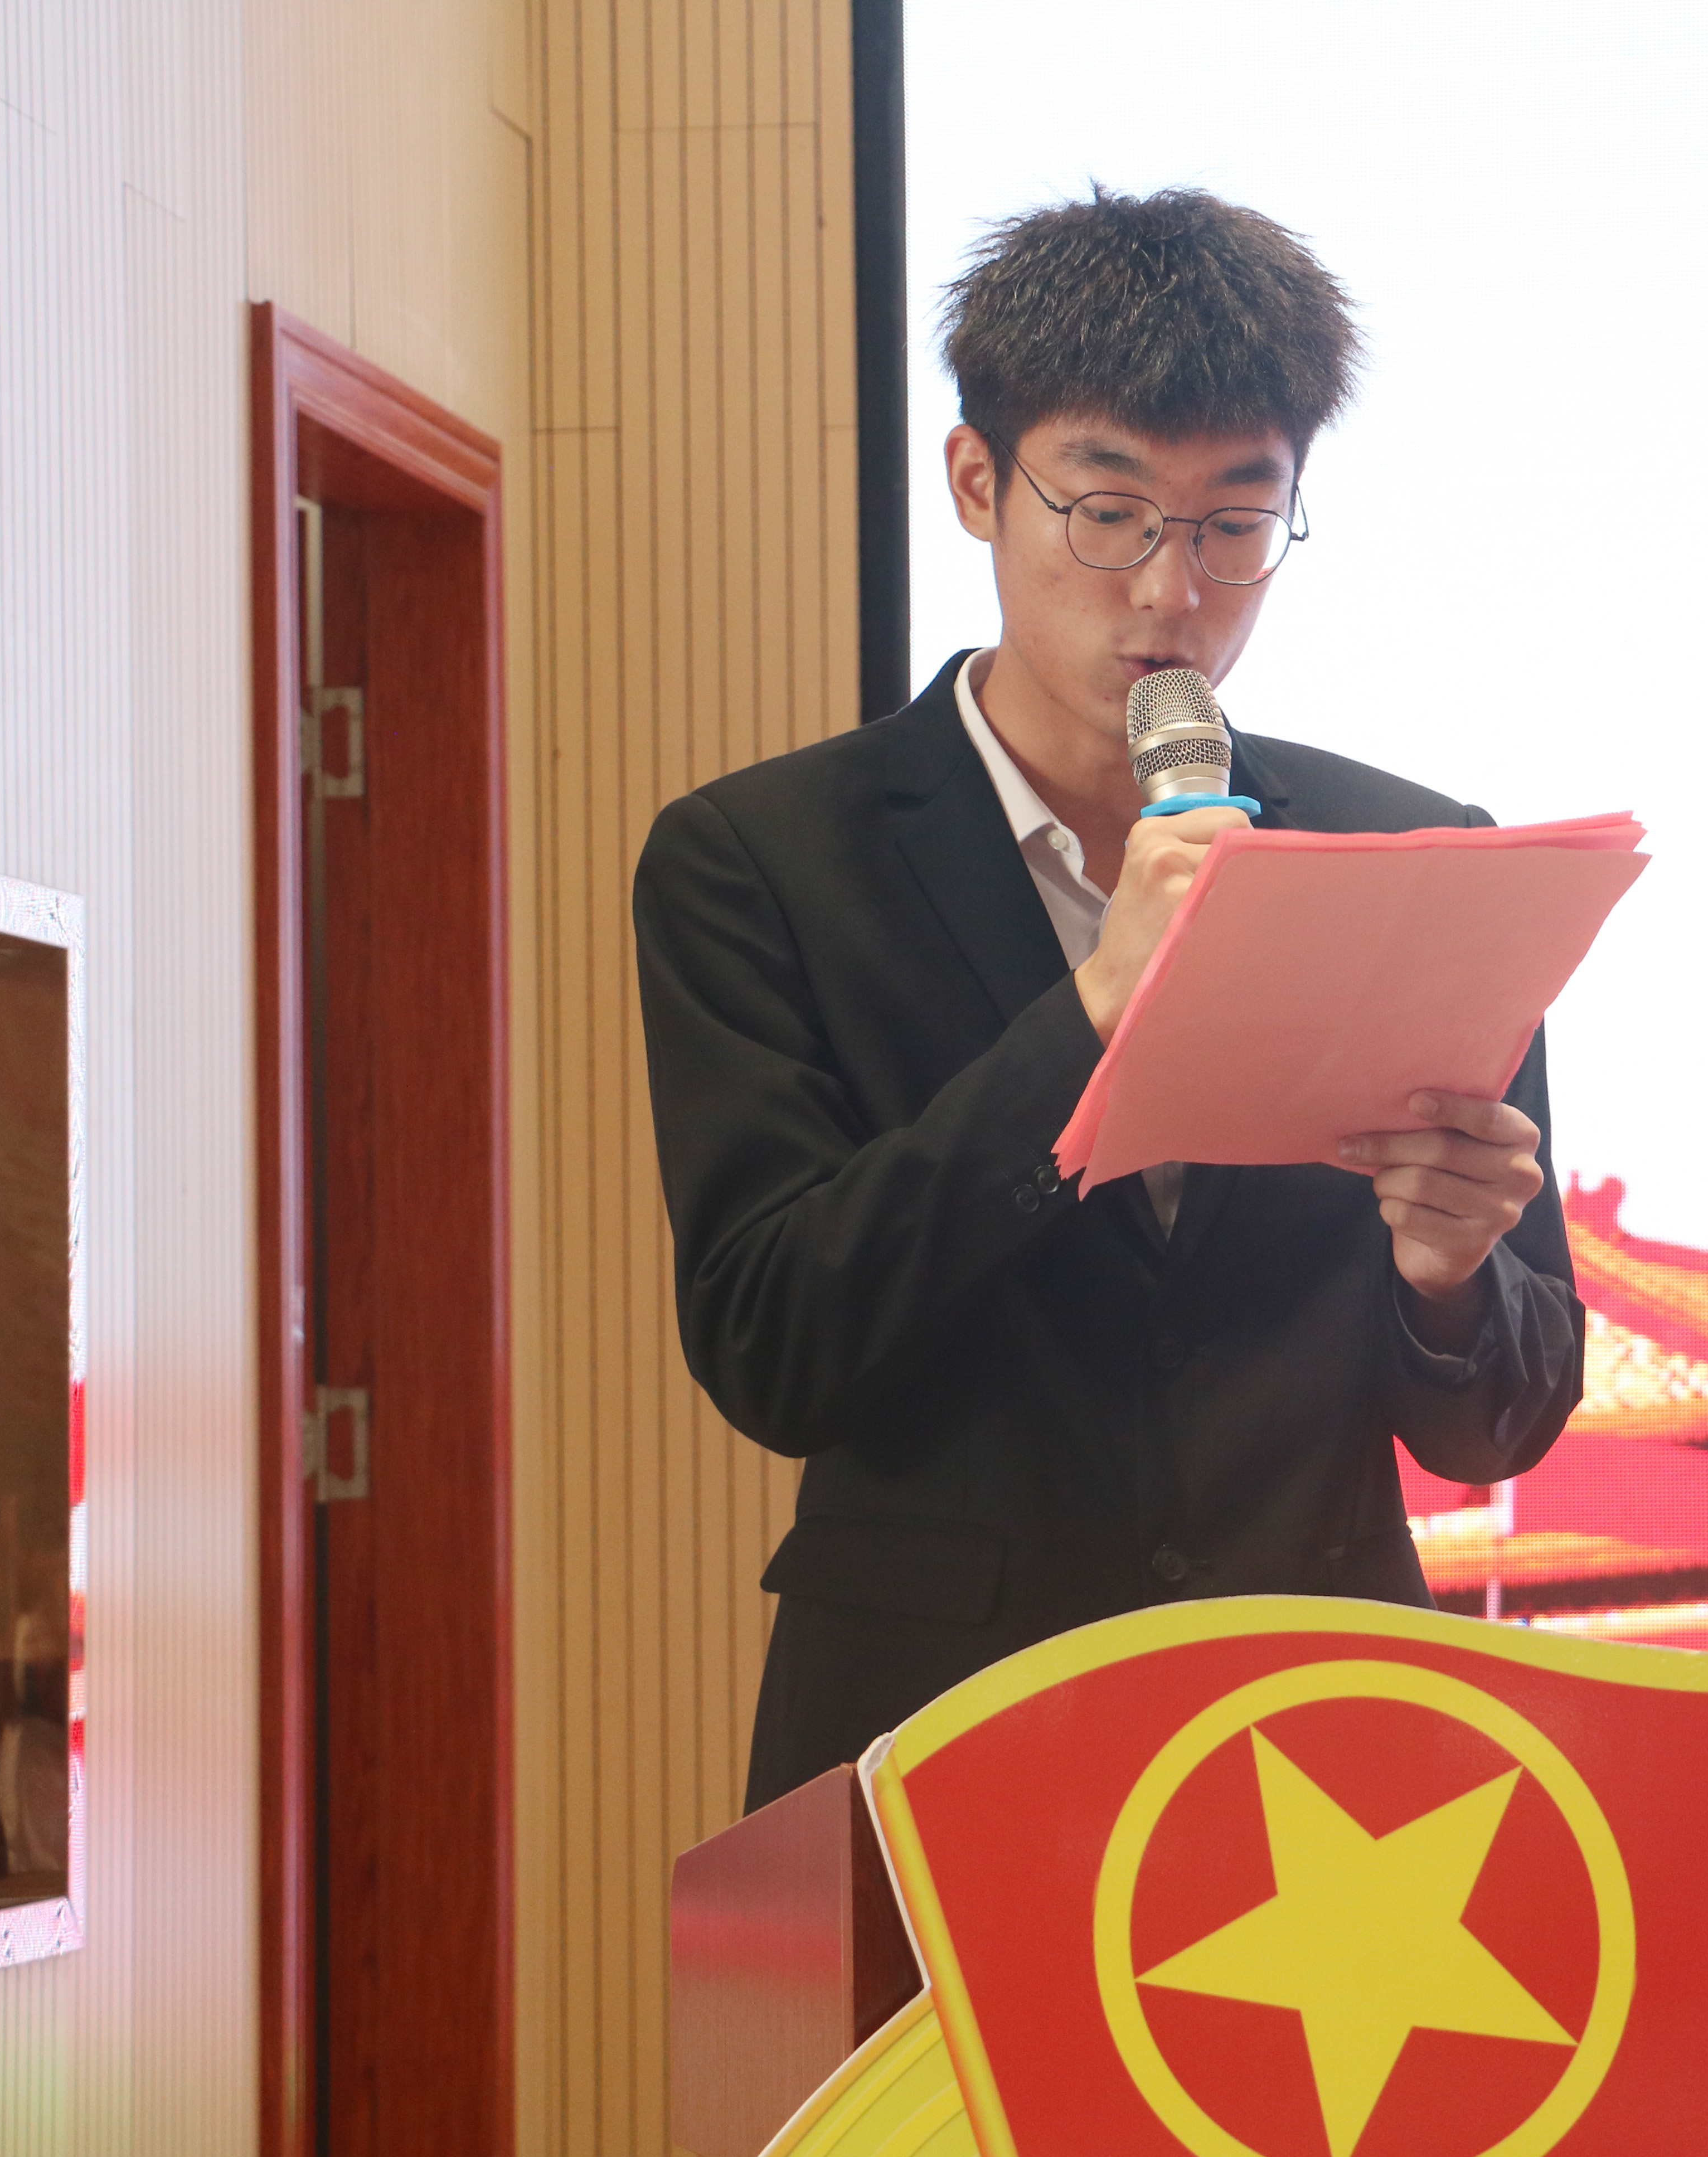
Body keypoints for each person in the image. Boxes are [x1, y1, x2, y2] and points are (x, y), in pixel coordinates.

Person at [634, 186, 1584, 1809]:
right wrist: (1090, 1014)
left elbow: (1503, 1421)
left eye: (1233, 523)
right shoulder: (762, 859)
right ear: (978, 482)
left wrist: (1447, 1280)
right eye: (1109, 512)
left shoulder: (1407, 855)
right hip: (936, 1738)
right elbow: (773, 1349)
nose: (1169, 592)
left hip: (1327, 1753)